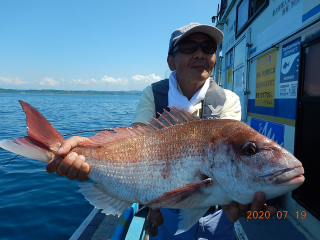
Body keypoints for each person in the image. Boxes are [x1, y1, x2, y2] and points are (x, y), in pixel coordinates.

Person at [46, 23, 276, 239]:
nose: (199, 54)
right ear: (171, 61)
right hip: (169, 213)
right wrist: (88, 149)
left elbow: (231, 162)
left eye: (208, 48)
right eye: (188, 47)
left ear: (214, 58)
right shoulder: (154, 94)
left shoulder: (228, 100)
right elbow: (136, 140)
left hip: (218, 214)